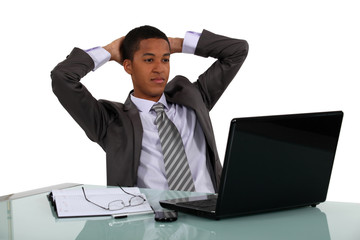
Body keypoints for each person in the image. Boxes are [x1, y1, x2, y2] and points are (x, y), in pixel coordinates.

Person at [51, 26, 248, 193]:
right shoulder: (110, 122)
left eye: (165, 59)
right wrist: (109, 51)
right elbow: (62, 77)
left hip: (212, 220)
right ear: (128, 66)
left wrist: (175, 44)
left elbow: (237, 50)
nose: (159, 69)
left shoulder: (194, 98)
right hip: (152, 225)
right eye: (148, 60)